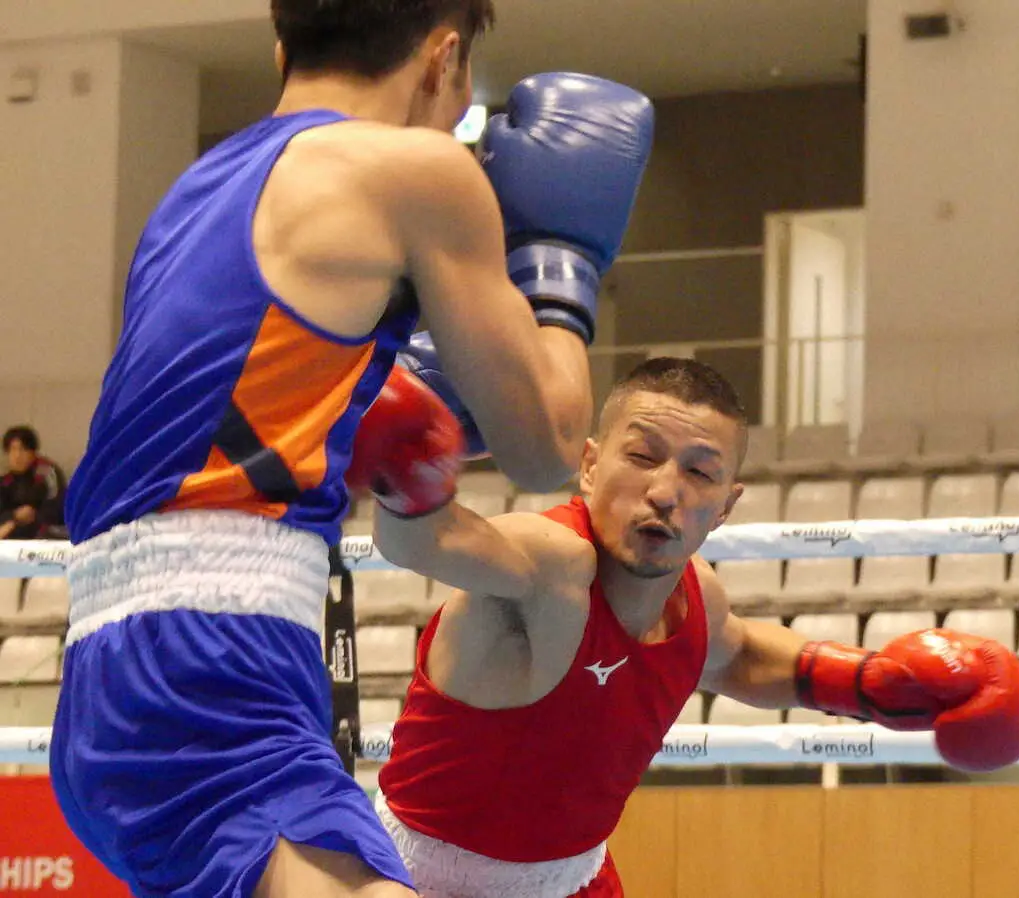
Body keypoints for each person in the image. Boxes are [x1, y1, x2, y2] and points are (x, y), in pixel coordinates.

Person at [49, 0, 654, 894]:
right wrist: (559, 256)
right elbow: (550, 446)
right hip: (218, 655)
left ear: (282, 42)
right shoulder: (415, 169)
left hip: (112, 663)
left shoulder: (198, 189)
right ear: (445, 59)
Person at [354, 357, 1019, 898]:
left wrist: (872, 685)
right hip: (422, 883)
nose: (666, 490)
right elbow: (428, 544)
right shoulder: (553, 566)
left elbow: (738, 657)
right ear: (590, 464)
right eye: (643, 457)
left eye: (700, 471)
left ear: (727, 504)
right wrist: (410, 476)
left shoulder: (695, 600)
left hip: (573, 880)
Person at [0, 426, 67, 540]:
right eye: (12, 449)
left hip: (45, 535)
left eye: (22, 449)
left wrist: (32, 515)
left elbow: (56, 508)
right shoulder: (6, 481)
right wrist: (15, 516)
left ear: (33, 452)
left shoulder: (46, 472)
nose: (17, 455)